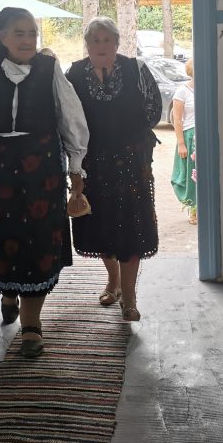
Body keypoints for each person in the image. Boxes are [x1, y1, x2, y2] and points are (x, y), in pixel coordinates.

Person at [0, 7, 88, 357]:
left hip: (42, 169)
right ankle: (9, 293)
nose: (27, 40)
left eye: (31, 33)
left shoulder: (49, 69)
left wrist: (76, 167)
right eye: (19, 33)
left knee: (39, 240)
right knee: (5, 236)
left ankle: (31, 325)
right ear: (2, 37)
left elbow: (71, 117)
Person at [66, 17, 161, 322]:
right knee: (101, 225)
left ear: (117, 43)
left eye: (107, 40)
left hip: (131, 164)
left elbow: (153, 109)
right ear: (86, 44)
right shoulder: (73, 74)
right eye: (95, 40)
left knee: (131, 227)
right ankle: (113, 281)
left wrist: (132, 138)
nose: (101, 45)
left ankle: (129, 297)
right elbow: (66, 119)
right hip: (92, 164)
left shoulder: (136, 69)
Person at [170, 58, 197, 225]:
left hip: (204, 137)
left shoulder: (207, 87)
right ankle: (193, 209)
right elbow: (177, 119)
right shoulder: (182, 91)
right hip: (189, 137)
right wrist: (181, 143)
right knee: (192, 176)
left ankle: (205, 207)